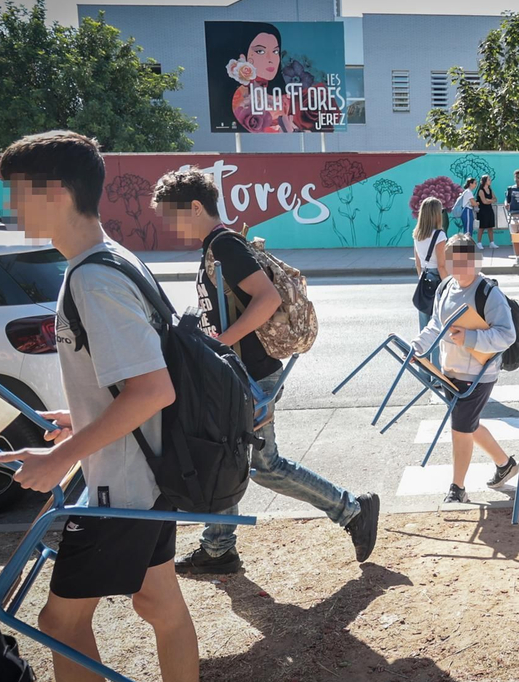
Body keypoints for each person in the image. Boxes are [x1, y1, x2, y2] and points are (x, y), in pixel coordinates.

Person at [0, 131, 216, 682]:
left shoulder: (92, 275)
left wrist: (61, 461)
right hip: (142, 482)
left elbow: (150, 391)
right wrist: (80, 418)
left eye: (17, 191)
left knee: (60, 625)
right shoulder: (112, 262)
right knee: (161, 603)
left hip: (123, 489)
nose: (10, 205)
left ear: (54, 193)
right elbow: (134, 384)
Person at [155, 170, 381, 576]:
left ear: (194, 207)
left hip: (251, 376)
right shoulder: (216, 247)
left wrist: (221, 343)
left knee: (265, 465)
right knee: (224, 453)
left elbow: (267, 297)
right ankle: (219, 547)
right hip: (242, 374)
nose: (171, 227)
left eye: (173, 216)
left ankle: (352, 509)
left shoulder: (224, 245)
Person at [409, 234, 519, 503]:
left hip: (479, 374)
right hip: (450, 370)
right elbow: (436, 323)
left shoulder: (488, 294)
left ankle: (457, 488)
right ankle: (505, 464)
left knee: (460, 428)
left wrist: (469, 338)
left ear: (475, 261)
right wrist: (419, 347)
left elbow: (507, 335)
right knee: (468, 425)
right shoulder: (446, 287)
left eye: (465, 261)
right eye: (453, 262)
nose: (459, 268)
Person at [409, 195, 450, 328]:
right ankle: (437, 349)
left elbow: (418, 263)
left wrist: (422, 277)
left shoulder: (417, 234)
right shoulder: (439, 235)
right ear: (436, 214)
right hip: (437, 277)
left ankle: (424, 349)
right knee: (438, 323)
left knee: (425, 323)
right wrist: (449, 285)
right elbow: (441, 265)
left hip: (424, 276)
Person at [476, 175, 497, 248]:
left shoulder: (490, 190)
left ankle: (492, 243)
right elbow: (484, 201)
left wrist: (489, 200)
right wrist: (490, 201)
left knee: (490, 227)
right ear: (484, 181)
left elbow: (495, 199)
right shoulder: (481, 190)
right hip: (482, 211)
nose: (490, 181)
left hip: (489, 210)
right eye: (488, 179)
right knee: (481, 227)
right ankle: (479, 243)